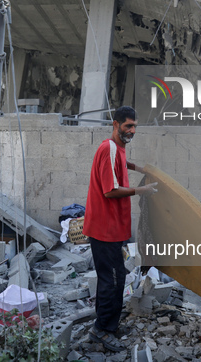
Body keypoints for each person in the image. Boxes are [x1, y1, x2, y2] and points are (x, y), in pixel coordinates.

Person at [83, 106, 158, 351]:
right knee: (112, 280)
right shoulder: (109, 148)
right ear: (115, 125)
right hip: (104, 229)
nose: (132, 130)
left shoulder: (117, 149)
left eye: (135, 126)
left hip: (112, 228)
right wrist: (140, 190)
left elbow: (120, 164)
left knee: (116, 277)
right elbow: (109, 190)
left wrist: (138, 169)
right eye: (128, 126)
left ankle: (109, 325)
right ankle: (101, 330)